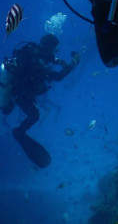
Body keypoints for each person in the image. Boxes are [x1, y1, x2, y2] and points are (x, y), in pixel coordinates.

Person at [1, 34, 80, 167]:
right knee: (34, 115)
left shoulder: (33, 50)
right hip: (19, 93)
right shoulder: (37, 61)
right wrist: (74, 63)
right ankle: (19, 132)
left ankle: (18, 129)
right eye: (54, 49)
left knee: (31, 113)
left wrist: (57, 61)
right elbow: (58, 76)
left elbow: (47, 57)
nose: (55, 52)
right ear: (49, 47)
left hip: (17, 89)